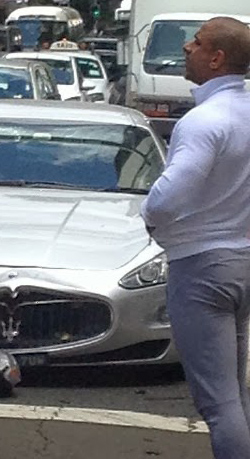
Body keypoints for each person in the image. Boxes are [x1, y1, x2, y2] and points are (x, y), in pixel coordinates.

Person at [141, 17, 250, 459]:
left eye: (197, 42)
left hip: (203, 268)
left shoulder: (205, 121)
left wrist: (150, 219)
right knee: (234, 393)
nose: (187, 47)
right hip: (244, 260)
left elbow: (167, 200)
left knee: (218, 402)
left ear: (217, 58)